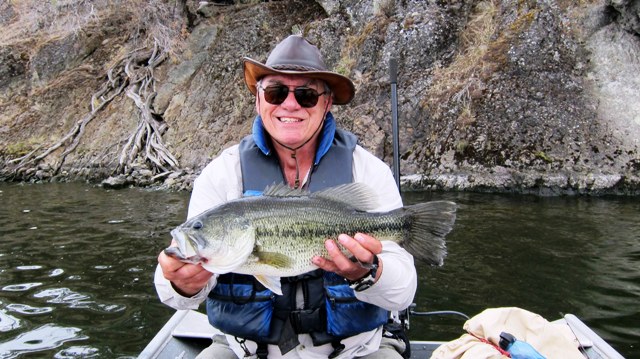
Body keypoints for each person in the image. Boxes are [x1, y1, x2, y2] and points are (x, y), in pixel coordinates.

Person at [155, 35, 417, 359]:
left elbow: (404, 291)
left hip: (356, 350)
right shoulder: (222, 175)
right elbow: (173, 297)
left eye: (306, 95)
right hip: (245, 352)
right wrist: (183, 283)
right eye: (276, 92)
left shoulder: (368, 171)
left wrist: (370, 271)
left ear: (327, 102)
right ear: (258, 100)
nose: (289, 105)